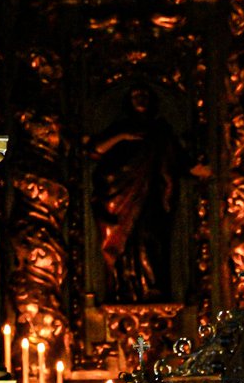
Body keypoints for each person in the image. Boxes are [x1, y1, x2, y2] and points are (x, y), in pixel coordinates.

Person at [88, 83, 208, 303]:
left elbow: (180, 161)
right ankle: (124, 290)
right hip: (120, 198)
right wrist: (122, 136)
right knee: (124, 248)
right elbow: (95, 151)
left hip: (151, 197)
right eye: (136, 94)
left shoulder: (161, 131)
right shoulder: (120, 128)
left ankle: (153, 288)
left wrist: (206, 169)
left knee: (149, 241)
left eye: (144, 94)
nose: (140, 98)